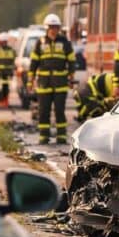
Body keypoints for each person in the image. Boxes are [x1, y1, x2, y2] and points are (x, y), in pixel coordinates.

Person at [29, 14, 76, 145]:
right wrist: (30, 80)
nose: (53, 30)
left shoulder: (65, 42)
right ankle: (44, 136)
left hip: (60, 83)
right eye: (51, 27)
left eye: (56, 27)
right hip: (44, 83)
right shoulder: (40, 42)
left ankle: (61, 136)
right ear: (47, 28)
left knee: (60, 110)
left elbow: (71, 61)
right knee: (43, 111)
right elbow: (34, 63)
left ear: (59, 28)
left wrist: (71, 77)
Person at [0, 32, 16, 106]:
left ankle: (5, 101)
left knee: (6, 88)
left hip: (8, 73)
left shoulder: (11, 50)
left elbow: (15, 60)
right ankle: (1, 100)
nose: (2, 43)